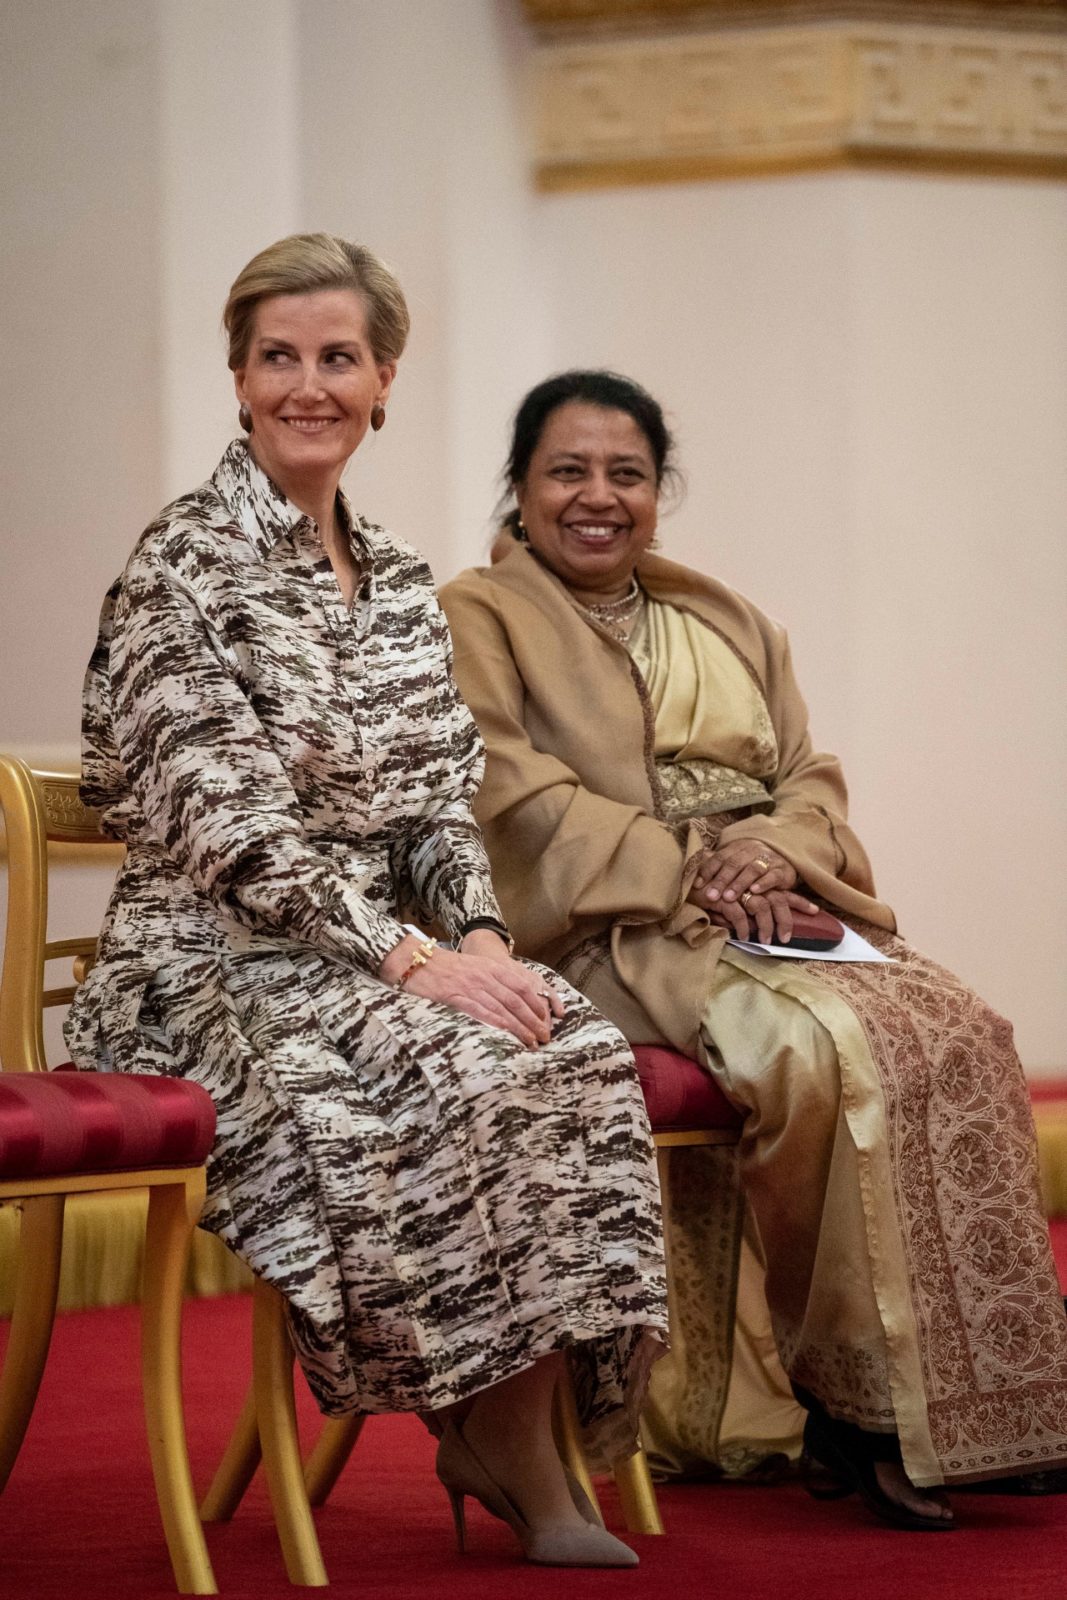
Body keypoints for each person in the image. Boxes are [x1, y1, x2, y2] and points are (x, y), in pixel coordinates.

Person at [64, 250, 668, 1569]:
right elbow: (234, 836)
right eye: (278, 357)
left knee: (564, 1040)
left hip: (378, 963)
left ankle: (518, 1432)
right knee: (456, 1052)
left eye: (336, 357)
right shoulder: (186, 560)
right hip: (204, 974)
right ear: (237, 375)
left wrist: (484, 941)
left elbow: (438, 805)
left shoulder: (397, 578)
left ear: (383, 379)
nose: (306, 386)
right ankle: (500, 1445)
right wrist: (409, 961)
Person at [438, 369, 1067, 1530]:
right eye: (565, 471)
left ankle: (977, 1405)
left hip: (767, 904)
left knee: (962, 1031)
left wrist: (772, 854)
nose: (596, 496)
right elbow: (507, 794)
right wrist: (688, 872)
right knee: (817, 1050)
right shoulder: (473, 614)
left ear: (658, 491)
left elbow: (807, 774)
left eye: (624, 473)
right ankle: (856, 1404)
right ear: (518, 489)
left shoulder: (725, 616)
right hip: (617, 929)